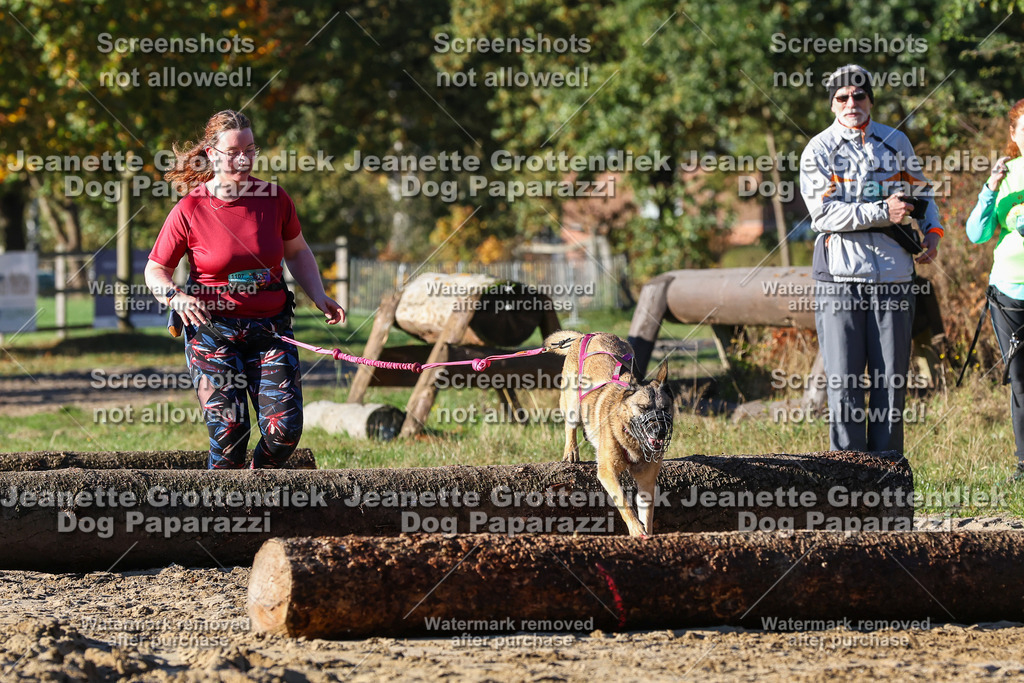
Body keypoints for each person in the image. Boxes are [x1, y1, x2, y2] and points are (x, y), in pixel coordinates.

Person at [144, 110, 344, 469]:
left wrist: (319, 295)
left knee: (284, 432)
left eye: (250, 150)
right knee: (230, 432)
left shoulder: (275, 199)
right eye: (234, 151)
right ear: (211, 153)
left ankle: (257, 490)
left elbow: (297, 252)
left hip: (270, 331)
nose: (244, 159)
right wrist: (176, 296)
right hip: (212, 332)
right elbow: (156, 270)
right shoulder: (190, 208)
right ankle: (222, 518)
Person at [799, 65, 943, 454]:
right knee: (844, 383)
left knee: (891, 383)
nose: (851, 103)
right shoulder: (819, 150)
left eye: (858, 95)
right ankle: (847, 478)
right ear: (832, 103)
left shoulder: (896, 142)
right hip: (841, 280)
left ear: (870, 100)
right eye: (841, 97)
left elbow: (924, 197)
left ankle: (887, 475)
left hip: (896, 276)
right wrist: (882, 211)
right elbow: (823, 215)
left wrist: (932, 232)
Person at [965, 98, 1024, 480]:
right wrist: (990, 187)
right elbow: (976, 233)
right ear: (1015, 134)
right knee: (1020, 380)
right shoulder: (1006, 176)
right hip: (1009, 295)